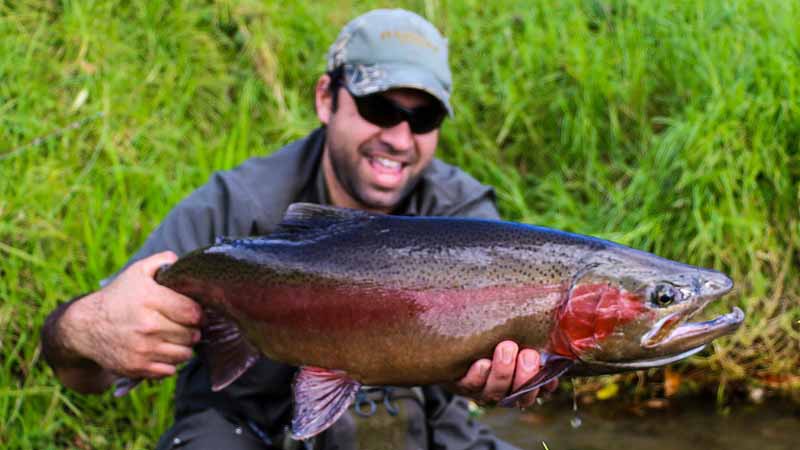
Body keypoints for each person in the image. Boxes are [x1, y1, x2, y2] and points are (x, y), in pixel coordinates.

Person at [41, 9, 556, 450]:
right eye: (379, 108)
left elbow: (516, 366)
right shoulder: (236, 208)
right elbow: (76, 370)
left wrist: (513, 380)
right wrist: (87, 328)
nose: (400, 138)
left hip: (414, 423)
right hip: (247, 427)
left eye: (423, 120)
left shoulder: (461, 215)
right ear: (325, 98)